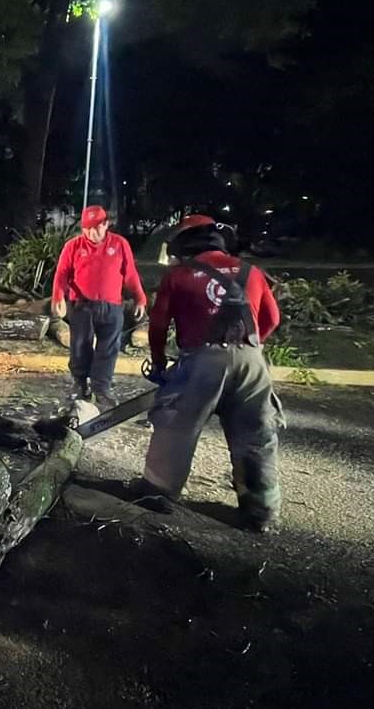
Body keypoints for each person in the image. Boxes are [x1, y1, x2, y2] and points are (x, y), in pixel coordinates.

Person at [134, 214, 284, 532]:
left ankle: (157, 492)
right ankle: (260, 509)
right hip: (252, 363)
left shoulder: (179, 275)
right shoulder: (251, 272)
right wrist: (247, 350)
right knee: (255, 435)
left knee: (176, 426)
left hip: (201, 362)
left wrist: (160, 364)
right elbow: (272, 319)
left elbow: (159, 325)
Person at [51, 205, 147, 409]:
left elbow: (130, 274)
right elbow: (62, 274)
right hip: (82, 305)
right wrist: (58, 297)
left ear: (106, 225)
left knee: (108, 348)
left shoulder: (120, 244)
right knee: (79, 346)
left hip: (112, 305)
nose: (91, 233)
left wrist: (140, 298)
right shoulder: (73, 246)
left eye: (95, 228)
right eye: (86, 228)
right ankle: (79, 384)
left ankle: (101, 389)